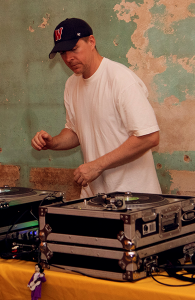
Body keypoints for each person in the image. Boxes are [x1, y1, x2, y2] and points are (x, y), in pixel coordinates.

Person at [31, 18, 162, 198]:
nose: (68, 58)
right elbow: (76, 132)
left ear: (91, 41)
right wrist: (52, 143)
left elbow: (149, 137)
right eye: (63, 52)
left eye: (74, 49)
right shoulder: (71, 84)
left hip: (135, 199)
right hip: (95, 198)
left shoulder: (120, 79)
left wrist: (97, 165)